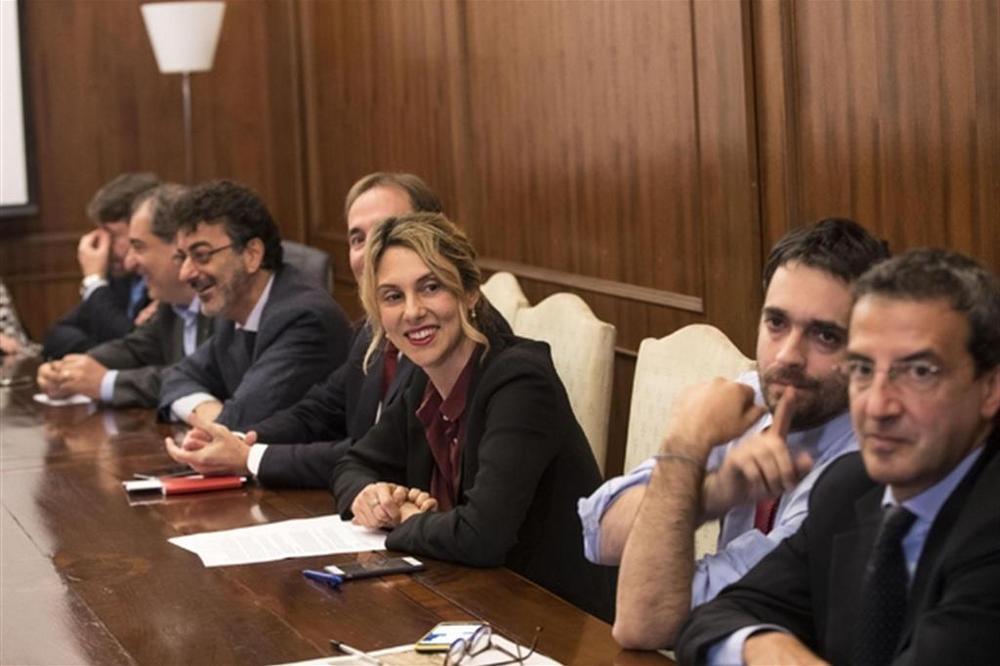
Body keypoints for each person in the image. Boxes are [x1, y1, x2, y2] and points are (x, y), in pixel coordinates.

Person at [676, 249, 1000, 665]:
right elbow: (713, 619)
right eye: (862, 370)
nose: (877, 406)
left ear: (990, 389)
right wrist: (766, 645)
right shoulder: (850, 486)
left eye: (919, 372)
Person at [578, 218, 889, 648]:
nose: (787, 356)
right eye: (776, 323)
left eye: (824, 335)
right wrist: (717, 491)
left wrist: (685, 448)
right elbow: (599, 531)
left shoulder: (864, 467)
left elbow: (648, 621)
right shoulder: (752, 394)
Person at [331, 212, 615, 620]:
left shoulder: (521, 382)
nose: (412, 311)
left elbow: (482, 535)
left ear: (469, 293)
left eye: (431, 287)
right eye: (392, 296)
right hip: (477, 603)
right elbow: (353, 464)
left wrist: (405, 518)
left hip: (561, 619)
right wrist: (370, 497)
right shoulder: (423, 379)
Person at [164, 172, 443, 485]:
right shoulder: (370, 331)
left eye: (385, 232)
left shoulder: (438, 331)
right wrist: (240, 441)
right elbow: (319, 411)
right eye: (357, 239)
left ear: (433, 237)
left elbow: (388, 454)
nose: (369, 252)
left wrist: (250, 457)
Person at [158, 180, 351, 429]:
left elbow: (243, 421)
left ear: (252, 255)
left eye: (202, 255)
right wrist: (209, 412)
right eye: (183, 257)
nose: (185, 274)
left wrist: (219, 423)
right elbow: (176, 377)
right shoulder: (232, 313)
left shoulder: (305, 319)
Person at [36, 185, 215, 407]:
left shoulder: (223, 305)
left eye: (139, 247)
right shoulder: (172, 306)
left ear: (179, 246)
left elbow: (201, 379)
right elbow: (135, 349)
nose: (130, 263)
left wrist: (106, 383)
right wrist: (68, 371)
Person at [43, 172, 160, 358]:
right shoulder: (119, 277)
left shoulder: (165, 281)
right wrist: (100, 356)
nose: (104, 246)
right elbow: (57, 335)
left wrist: (94, 281)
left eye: (112, 235)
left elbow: (136, 347)